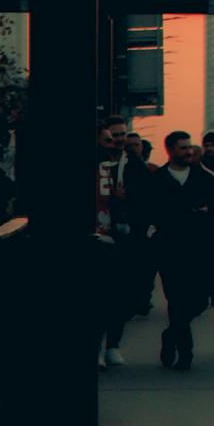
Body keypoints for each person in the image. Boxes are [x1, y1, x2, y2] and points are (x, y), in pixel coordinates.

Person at [140, 131, 214, 371]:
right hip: (170, 251)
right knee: (176, 301)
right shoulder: (158, 180)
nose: (188, 152)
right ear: (170, 150)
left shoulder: (203, 178)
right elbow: (149, 212)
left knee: (198, 301)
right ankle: (185, 352)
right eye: (183, 148)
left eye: (189, 147)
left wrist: (209, 213)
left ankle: (171, 335)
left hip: (199, 250)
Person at [93, 114, 145, 368]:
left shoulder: (134, 164)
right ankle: (98, 346)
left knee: (121, 295)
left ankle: (113, 345)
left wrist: (128, 198)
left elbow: (146, 200)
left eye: (123, 135)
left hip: (126, 239)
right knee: (100, 295)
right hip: (98, 238)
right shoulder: (97, 165)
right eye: (114, 136)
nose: (119, 140)